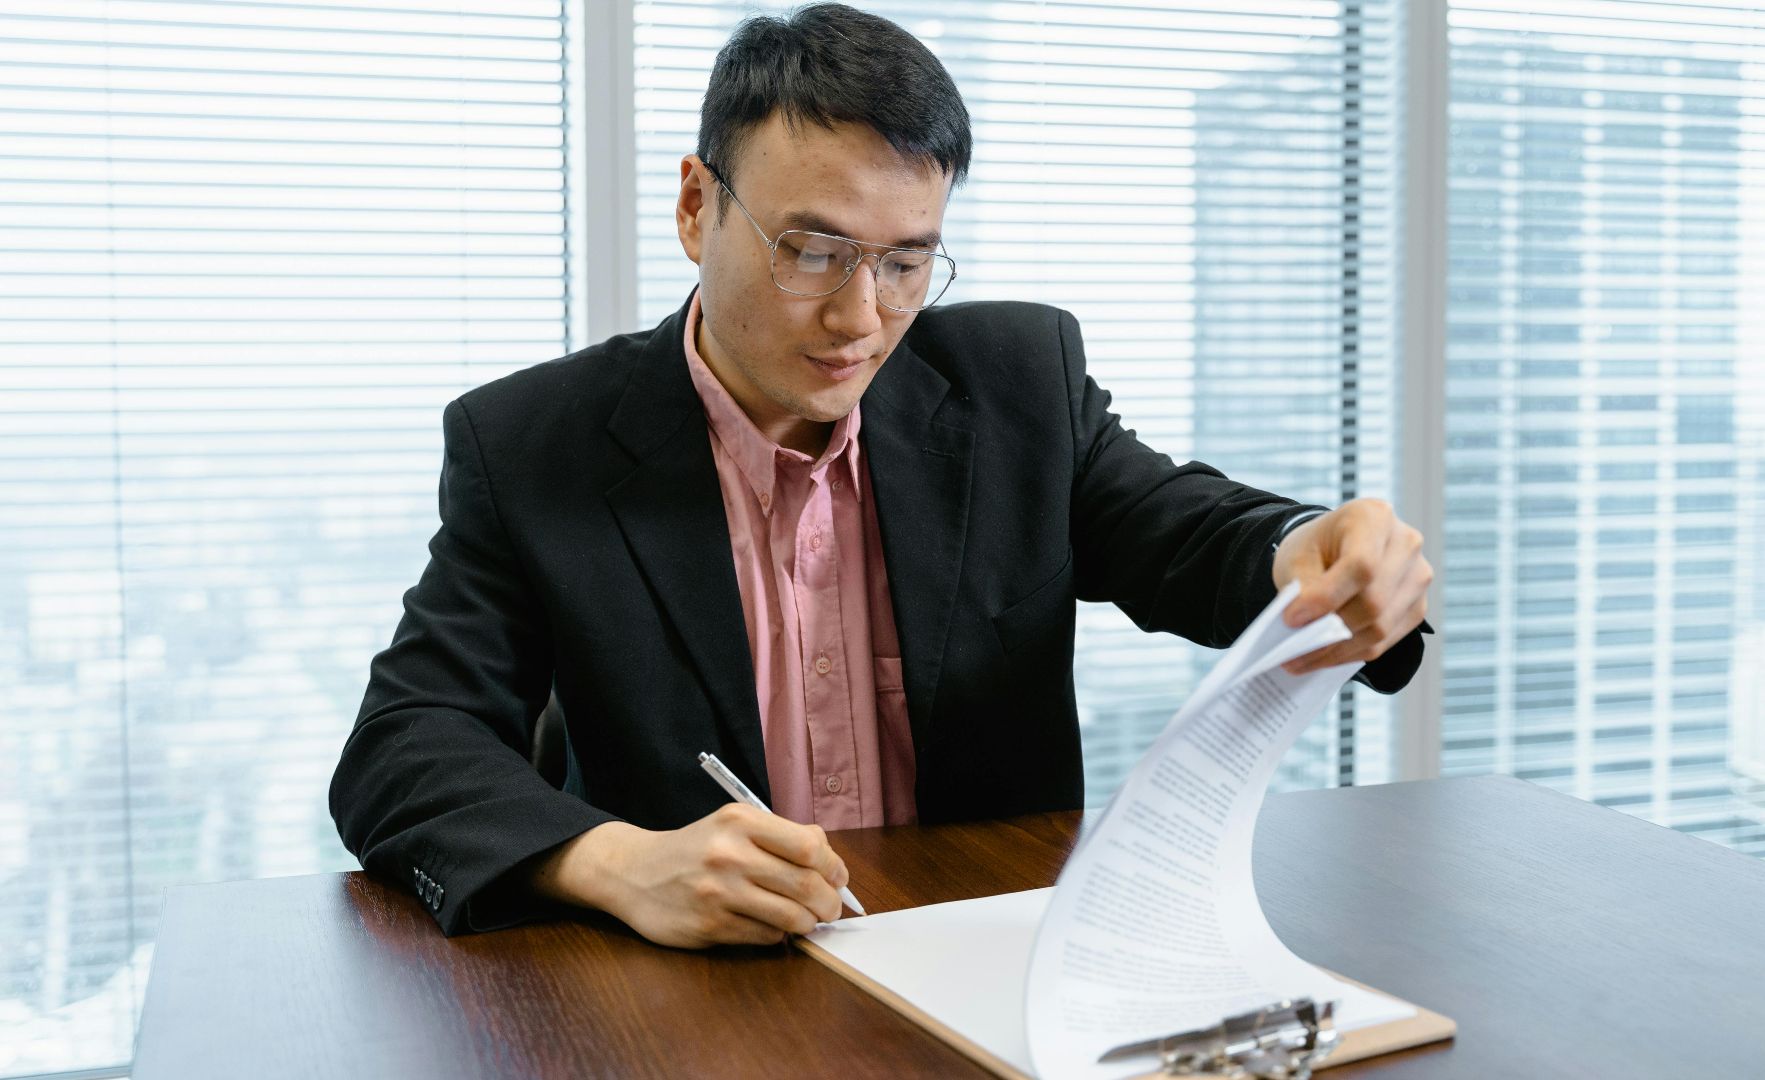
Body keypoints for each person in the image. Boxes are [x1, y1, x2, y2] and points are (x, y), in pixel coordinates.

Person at [329, 3, 1433, 948]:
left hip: (991, 969)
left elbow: (1182, 531)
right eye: (812, 251)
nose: (862, 318)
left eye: (907, 261)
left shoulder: (1016, 385)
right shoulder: (533, 444)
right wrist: (617, 865)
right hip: (691, 1002)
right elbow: (403, 746)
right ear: (693, 207)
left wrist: (1307, 547)